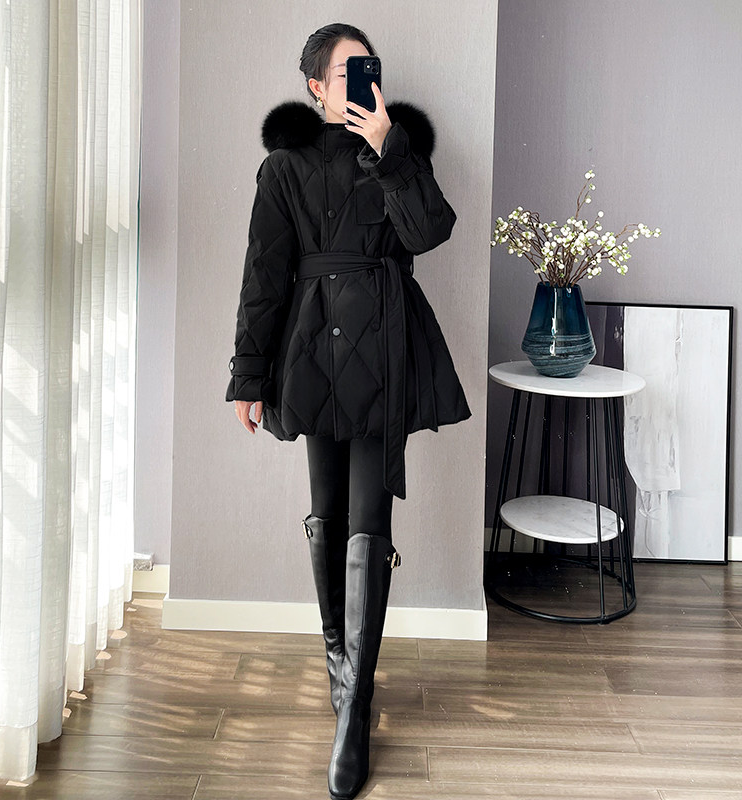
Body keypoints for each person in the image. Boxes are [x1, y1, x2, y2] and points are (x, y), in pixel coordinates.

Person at [224, 23, 471, 800]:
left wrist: (390, 147)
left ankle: (355, 706)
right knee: (327, 511)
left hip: (386, 347)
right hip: (311, 349)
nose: (364, 80)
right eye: (347, 70)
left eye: (371, 68)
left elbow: (431, 231)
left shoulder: (397, 150)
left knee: (370, 519)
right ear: (315, 87)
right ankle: (340, 666)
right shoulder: (284, 165)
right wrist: (247, 375)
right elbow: (264, 273)